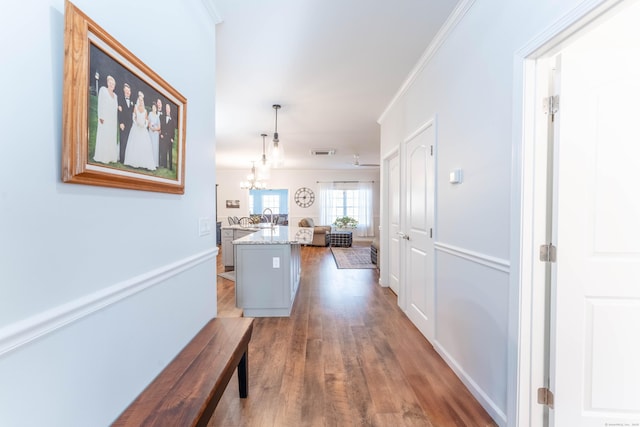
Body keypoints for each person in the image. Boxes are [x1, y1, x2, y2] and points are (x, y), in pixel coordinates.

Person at [124, 92, 156, 170]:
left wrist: (144, 126)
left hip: (143, 129)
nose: (141, 101)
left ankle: (143, 162)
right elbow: (133, 117)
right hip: (136, 127)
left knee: (143, 145)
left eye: (142, 100)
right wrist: (137, 123)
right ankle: (133, 161)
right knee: (135, 144)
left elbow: (146, 121)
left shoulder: (145, 111)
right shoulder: (135, 107)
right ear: (138, 100)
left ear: (143, 101)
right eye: (139, 100)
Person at [93, 75, 119, 164]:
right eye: (110, 83)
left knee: (111, 137)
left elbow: (115, 108)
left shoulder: (115, 96)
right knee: (104, 136)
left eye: (113, 84)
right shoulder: (103, 90)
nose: (112, 85)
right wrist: (100, 116)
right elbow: (100, 104)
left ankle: (111, 156)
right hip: (105, 118)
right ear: (108, 83)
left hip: (112, 120)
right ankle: (103, 156)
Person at [117, 83, 134, 163]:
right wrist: (121, 123)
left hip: (130, 125)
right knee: (123, 141)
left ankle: (127, 159)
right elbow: (119, 112)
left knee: (128, 141)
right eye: (126, 91)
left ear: (130, 92)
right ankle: (122, 159)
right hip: (123, 124)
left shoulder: (132, 102)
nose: (127, 92)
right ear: (124, 91)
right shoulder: (120, 100)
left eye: (129, 91)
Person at [159, 103, 176, 170]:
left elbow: (173, 130)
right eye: (166, 108)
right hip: (164, 137)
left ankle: (171, 167)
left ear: (170, 110)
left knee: (170, 152)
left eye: (168, 108)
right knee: (164, 151)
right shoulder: (163, 118)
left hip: (170, 138)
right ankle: (165, 165)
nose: (167, 109)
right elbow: (162, 127)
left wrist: (172, 138)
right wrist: (161, 134)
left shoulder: (172, 120)